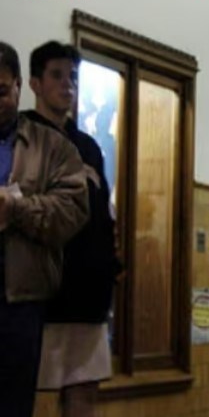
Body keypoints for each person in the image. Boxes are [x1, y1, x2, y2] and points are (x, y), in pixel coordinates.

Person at [27, 41, 120, 417]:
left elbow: (103, 216)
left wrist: (111, 267)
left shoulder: (89, 147)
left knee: (84, 388)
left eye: (73, 77)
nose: (67, 85)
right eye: (57, 75)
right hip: (37, 292)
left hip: (88, 290)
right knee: (25, 390)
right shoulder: (21, 137)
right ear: (35, 83)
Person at [0, 41, 89, 417]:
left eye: (1, 91)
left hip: (19, 303)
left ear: (20, 86)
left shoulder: (54, 147)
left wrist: (15, 208)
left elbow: (71, 212)